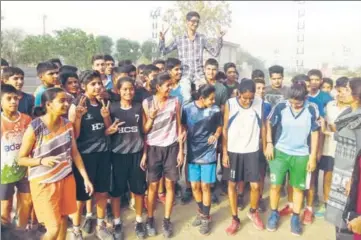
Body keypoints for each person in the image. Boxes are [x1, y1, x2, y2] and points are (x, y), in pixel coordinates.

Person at [18, 87, 94, 240]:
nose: (66, 104)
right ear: (48, 104)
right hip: (44, 184)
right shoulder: (35, 127)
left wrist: (85, 178)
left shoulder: (67, 124)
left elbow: (75, 153)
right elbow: (20, 159)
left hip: (66, 179)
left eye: (67, 100)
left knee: (64, 218)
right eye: (62, 101)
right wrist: (41, 161)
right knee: (53, 229)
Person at [264, 80, 319, 236]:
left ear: (305, 98)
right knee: (275, 186)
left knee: (298, 187)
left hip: (301, 155)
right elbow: (268, 122)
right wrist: (269, 143)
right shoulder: (281, 106)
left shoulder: (311, 108)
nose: (295, 105)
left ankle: (295, 217)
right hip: (280, 153)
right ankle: (274, 213)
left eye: (298, 103)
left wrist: (312, 156)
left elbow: (315, 133)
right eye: (292, 102)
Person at [68, 70, 113, 239]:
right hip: (85, 156)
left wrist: (107, 119)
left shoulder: (103, 102)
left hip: (103, 153)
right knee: (81, 195)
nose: (97, 87)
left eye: (99, 83)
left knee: (102, 192)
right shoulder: (77, 104)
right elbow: (75, 136)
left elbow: (106, 130)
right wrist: (78, 117)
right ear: (83, 86)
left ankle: (100, 225)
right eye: (93, 84)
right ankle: (76, 229)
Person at [142, 72, 184, 238]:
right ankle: (150, 218)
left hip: (172, 147)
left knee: (170, 185)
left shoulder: (175, 101)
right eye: (167, 85)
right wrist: (151, 118)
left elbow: (179, 126)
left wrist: (181, 150)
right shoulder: (147, 103)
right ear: (158, 87)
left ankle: (167, 220)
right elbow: (144, 130)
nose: (170, 88)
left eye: (170, 85)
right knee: (152, 186)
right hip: (153, 148)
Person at [106, 77, 147, 239]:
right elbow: (107, 131)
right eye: (124, 89)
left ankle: (139, 221)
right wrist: (108, 127)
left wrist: (144, 154)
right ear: (118, 91)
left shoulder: (138, 108)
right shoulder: (112, 109)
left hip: (136, 155)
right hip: (118, 156)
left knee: (138, 190)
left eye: (131, 89)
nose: (128, 92)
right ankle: (117, 222)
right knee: (116, 192)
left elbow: (144, 132)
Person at [222, 79, 265, 235]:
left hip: (252, 150)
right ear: (238, 93)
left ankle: (253, 211)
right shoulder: (230, 104)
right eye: (244, 98)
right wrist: (225, 152)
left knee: (254, 185)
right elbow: (225, 129)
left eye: (250, 98)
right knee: (232, 185)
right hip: (234, 151)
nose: (247, 101)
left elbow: (264, 124)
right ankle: (235, 218)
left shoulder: (259, 103)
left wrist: (266, 144)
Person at [159, 11, 224, 105]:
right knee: (186, 97)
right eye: (193, 21)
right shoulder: (179, 38)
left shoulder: (202, 38)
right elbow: (163, 51)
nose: (195, 24)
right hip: (185, 74)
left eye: (197, 21)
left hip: (199, 75)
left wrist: (219, 38)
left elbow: (215, 52)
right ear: (187, 22)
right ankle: (183, 118)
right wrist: (162, 39)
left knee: (206, 96)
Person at [181, 84, 222, 235]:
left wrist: (216, 135)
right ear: (201, 98)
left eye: (214, 98)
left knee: (205, 186)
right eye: (210, 99)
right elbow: (183, 126)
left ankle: (206, 217)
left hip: (208, 152)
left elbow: (219, 126)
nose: (213, 101)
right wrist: (183, 133)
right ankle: (200, 211)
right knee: (195, 186)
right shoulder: (187, 109)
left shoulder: (216, 110)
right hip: (192, 152)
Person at [326, 78, 361, 239]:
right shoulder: (348, 114)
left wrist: (353, 179)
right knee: (340, 217)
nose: (341, 93)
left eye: (347, 90)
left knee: (348, 217)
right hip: (342, 171)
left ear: (357, 95)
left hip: (351, 178)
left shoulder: (358, 120)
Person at [315, 77, 352, 218]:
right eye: (340, 91)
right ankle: (326, 205)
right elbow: (323, 126)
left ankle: (341, 208)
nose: (342, 94)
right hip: (329, 148)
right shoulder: (329, 105)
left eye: (346, 91)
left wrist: (328, 128)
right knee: (328, 177)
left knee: (343, 181)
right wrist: (319, 149)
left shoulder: (353, 108)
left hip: (345, 151)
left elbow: (340, 129)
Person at [0, 84, 32, 229]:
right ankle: (6, 233)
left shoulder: (26, 120)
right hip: (4, 173)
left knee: (26, 202)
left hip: (24, 169)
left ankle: (21, 232)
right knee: (5, 206)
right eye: (9, 99)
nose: (13, 101)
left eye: (15, 98)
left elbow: (32, 144)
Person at [204, 58, 228, 204]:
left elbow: (224, 110)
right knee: (205, 158)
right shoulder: (198, 85)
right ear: (204, 70)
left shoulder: (222, 89)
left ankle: (215, 186)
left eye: (214, 69)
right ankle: (205, 185)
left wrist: (222, 128)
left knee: (216, 155)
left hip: (216, 127)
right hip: (200, 129)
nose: (211, 72)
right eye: (208, 69)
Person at [254, 78, 272, 213]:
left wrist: (266, 143)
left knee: (260, 173)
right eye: (258, 88)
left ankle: (259, 199)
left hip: (261, 143)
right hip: (247, 144)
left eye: (262, 88)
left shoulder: (267, 105)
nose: (261, 91)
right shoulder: (247, 103)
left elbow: (267, 125)